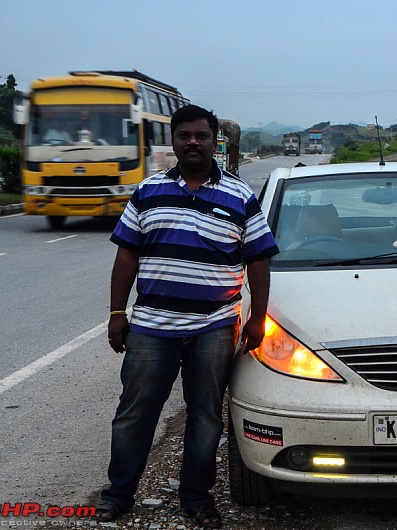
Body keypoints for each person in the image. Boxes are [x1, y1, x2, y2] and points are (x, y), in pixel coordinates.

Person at [96, 104, 279, 528]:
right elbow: (127, 255)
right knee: (135, 413)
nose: (192, 142)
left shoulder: (240, 197)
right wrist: (117, 312)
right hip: (151, 328)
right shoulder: (147, 192)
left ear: (215, 142)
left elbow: (259, 262)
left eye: (201, 135)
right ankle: (118, 494)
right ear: (174, 141)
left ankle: (196, 498)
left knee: (205, 414)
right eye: (184, 136)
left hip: (214, 327)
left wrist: (256, 318)